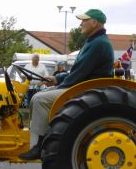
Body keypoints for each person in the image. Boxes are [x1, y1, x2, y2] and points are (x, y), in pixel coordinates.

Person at [19, 9, 114, 160]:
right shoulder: (94, 42)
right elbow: (78, 71)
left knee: (40, 99)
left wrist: (58, 86)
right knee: (39, 96)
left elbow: (80, 73)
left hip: (89, 89)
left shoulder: (98, 44)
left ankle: (41, 146)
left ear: (94, 23)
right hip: (86, 85)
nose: (80, 24)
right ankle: (43, 137)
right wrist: (57, 79)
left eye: (84, 20)